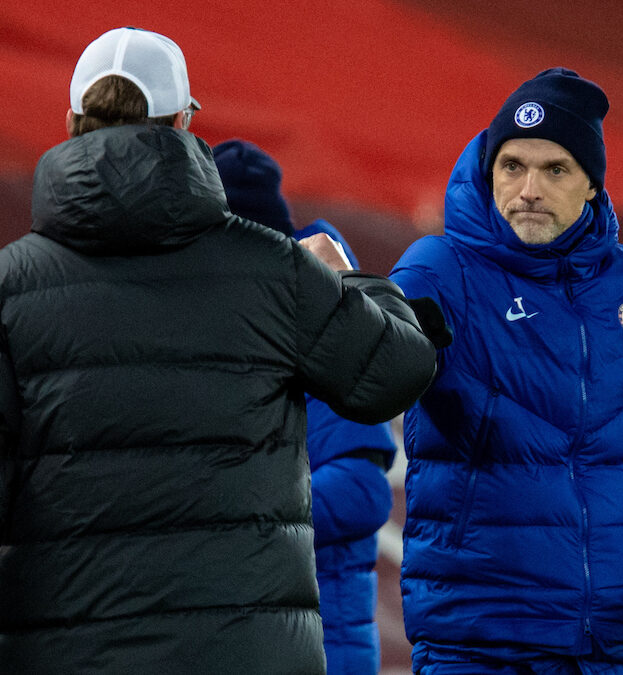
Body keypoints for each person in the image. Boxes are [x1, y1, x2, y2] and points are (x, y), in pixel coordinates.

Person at [0, 26, 436, 674]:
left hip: (66, 652)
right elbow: (399, 370)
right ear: (183, 122)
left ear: (71, 122)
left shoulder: (0, 287)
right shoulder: (273, 270)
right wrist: (346, 278)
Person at [390, 67, 623, 673]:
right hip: (483, 645)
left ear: (592, 186)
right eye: (512, 166)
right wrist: (392, 331)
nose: (528, 190)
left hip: (616, 647)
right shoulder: (440, 271)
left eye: (555, 170)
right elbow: (372, 364)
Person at [214, 138, 400, 674]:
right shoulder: (211, 331)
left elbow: (363, 491)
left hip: (321, 651)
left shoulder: (330, 328)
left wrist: (244, 520)